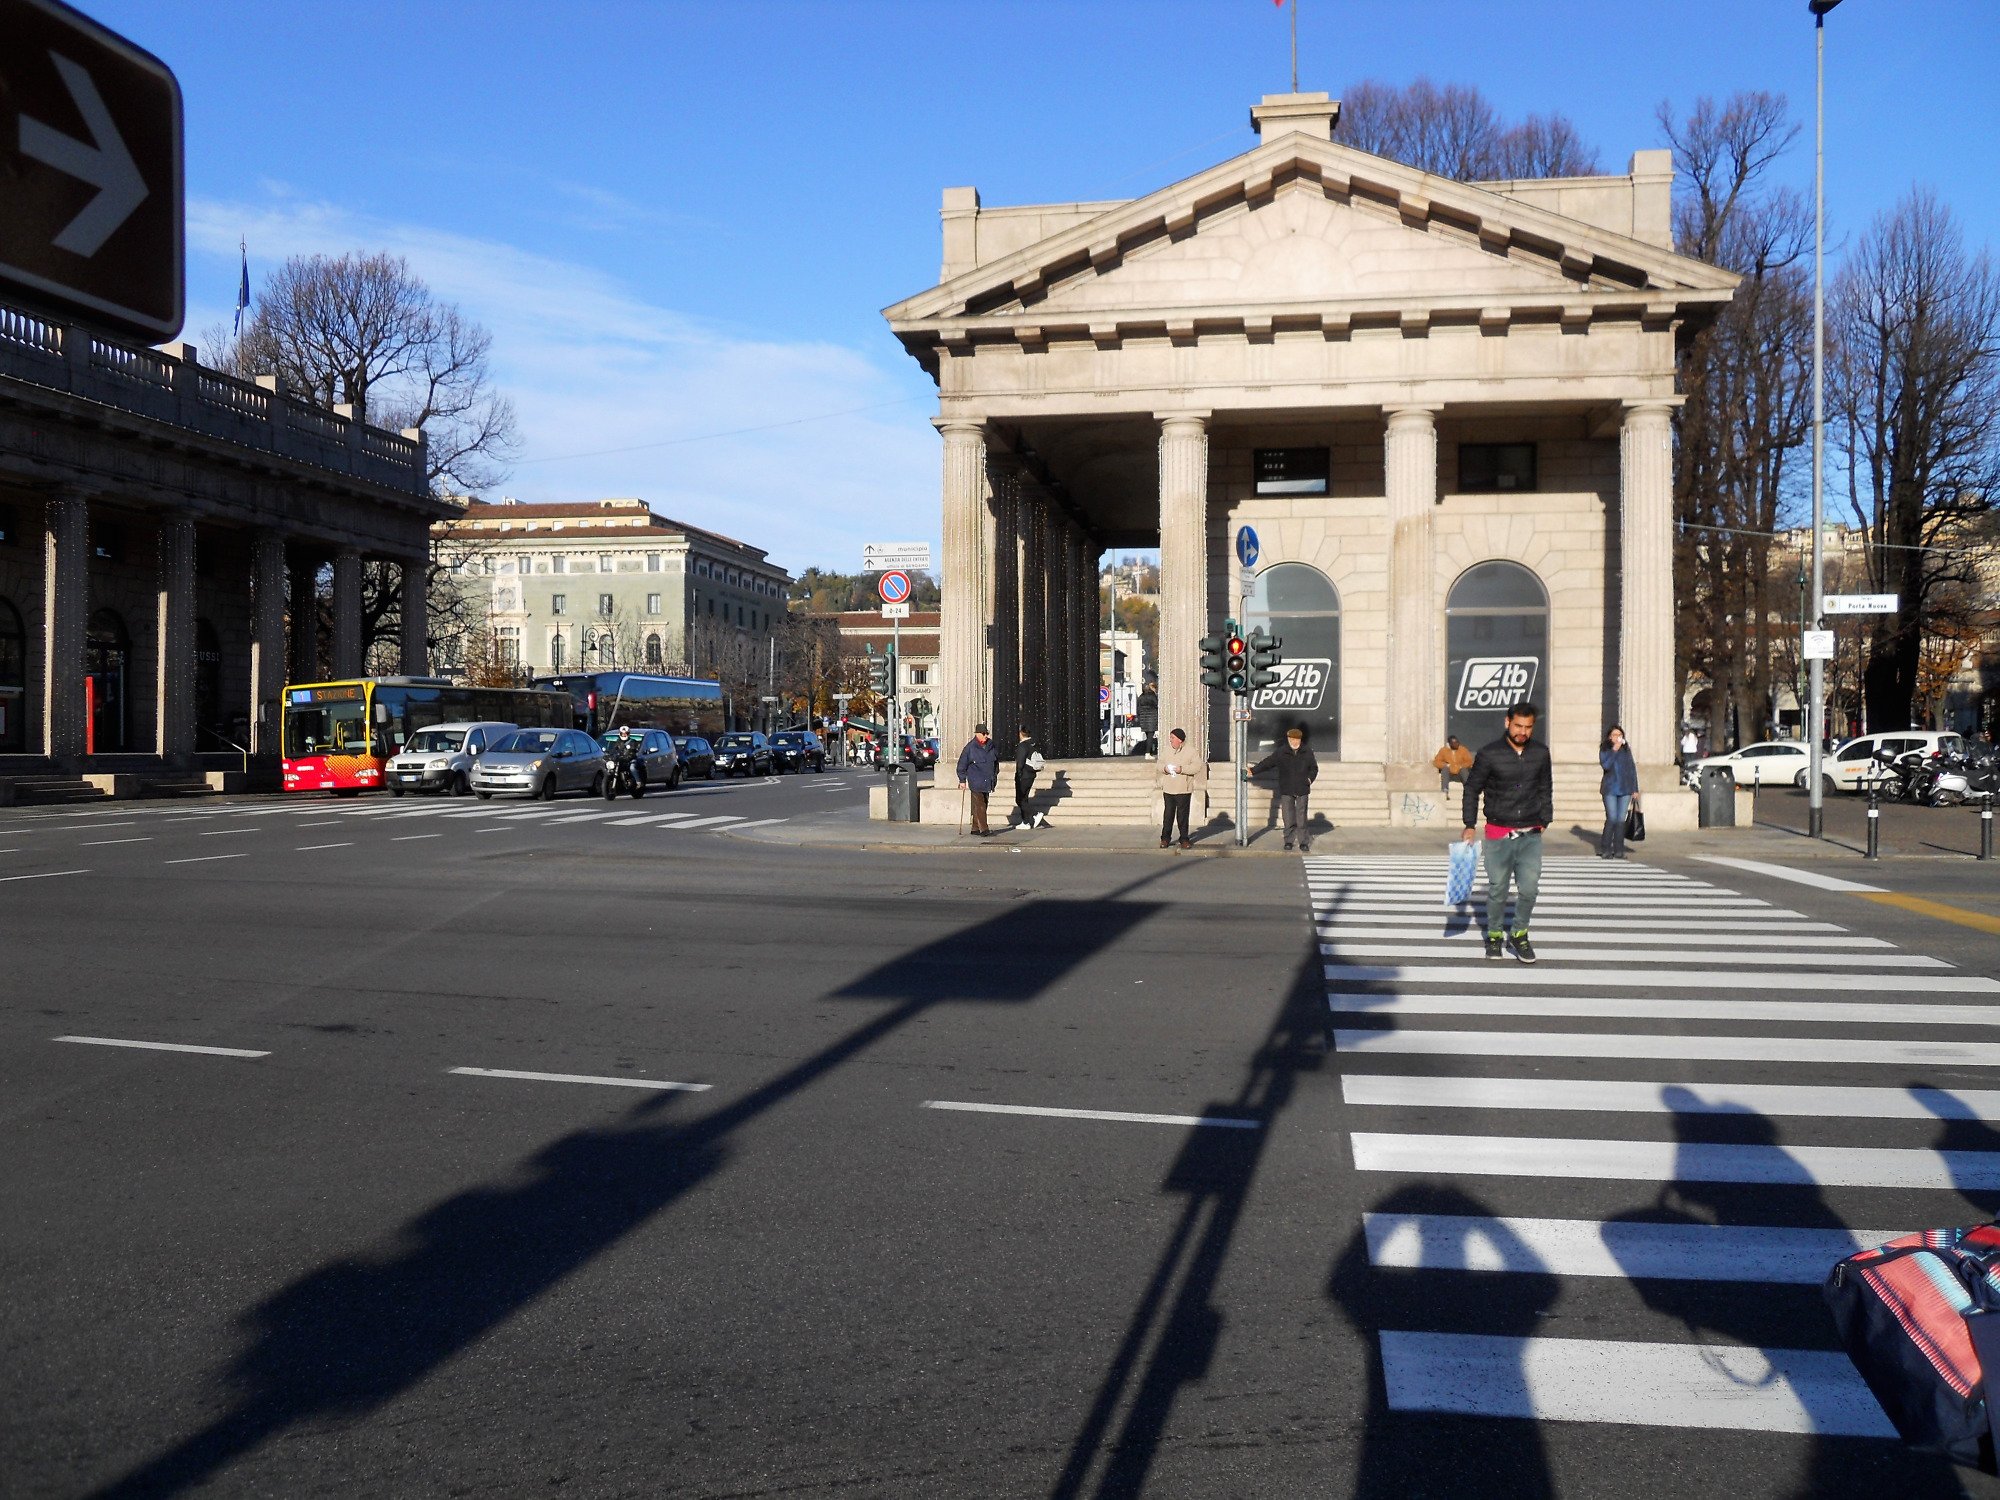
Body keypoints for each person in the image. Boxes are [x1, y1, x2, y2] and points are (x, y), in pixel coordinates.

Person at [1462, 703, 1554, 964]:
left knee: (1529, 890)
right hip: (1498, 832)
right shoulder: (1490, 754)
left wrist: (1545, 817)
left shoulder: (1540, 753)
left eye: (1528, 727)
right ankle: (1493, 935)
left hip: (1530, 832)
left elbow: (1545, 786)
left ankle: (1519, 933)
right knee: (1498, 889)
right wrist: (1470, 824)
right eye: (1518, 726)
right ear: (1507, 723)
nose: (1522, 732)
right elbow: (1472, 789)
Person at [1246, 727, 1319, 852]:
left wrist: (1309, 779)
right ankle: (1289, 841)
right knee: (1288, 816)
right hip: (1287, 788)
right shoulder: (1282, 752)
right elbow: (1268, 762)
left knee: (1301, 817)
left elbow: (1314, 768)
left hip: (1302, 788)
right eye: (1292, 739)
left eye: (1296, 740)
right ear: (1288, 739)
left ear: (1300, 740)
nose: (1294, 742)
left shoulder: (1307, 751)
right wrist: (1254, 770)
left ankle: (1303, 842)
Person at [1157, 727, 1204, 850]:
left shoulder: (1191, 752)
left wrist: (1181, 769)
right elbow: (1159, 764)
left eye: (1173, 738)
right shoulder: (1166, 751)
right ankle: (1165, 839)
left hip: (1183, 788)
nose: (1170, 740)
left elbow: (1197, 767)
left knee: (1182, 816)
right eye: (1170, 737)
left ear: (1180, 740)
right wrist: (1165, 769)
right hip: (1168, 788)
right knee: (1168, 815)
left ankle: (1184, 839)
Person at [1598, 724, 1640, 860]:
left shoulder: (1626, 751)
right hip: (1610, 788)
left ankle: (1619, 850)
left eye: (1619, 735)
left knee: (1621, 820)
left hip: (1625, 789)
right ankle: (1605, 849)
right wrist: (1614, 750)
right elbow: (1606, 765)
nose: (1617, 738)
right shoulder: (1605, 750)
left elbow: (1632, 769)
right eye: (1614, 735)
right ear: (1610, 737)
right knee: (1612, 818)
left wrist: (1635, 789)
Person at [955, 723, 999, 837]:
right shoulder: (970, 747)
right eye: (983, 734)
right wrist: (962, 780)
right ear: (977, 734)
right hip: (976, 780)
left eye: (987, 734)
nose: (985, 736)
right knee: (980, 804)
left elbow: (996, 762)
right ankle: (984, 829)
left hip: (988, 780)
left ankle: (975, 827)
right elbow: (961, 765)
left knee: (984, 802)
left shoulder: (991, 745)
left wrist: (995, 774)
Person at [1013, 726, 1047, 829]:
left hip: (1023, 776)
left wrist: (1017, 775)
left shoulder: (1022, 746)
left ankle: (1035, 814)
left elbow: (1020, 763)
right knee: (1024, 798)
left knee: (1020, 799)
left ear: (1020, 733)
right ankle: (1025, 822)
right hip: (1031, 774)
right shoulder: (1033, 744)